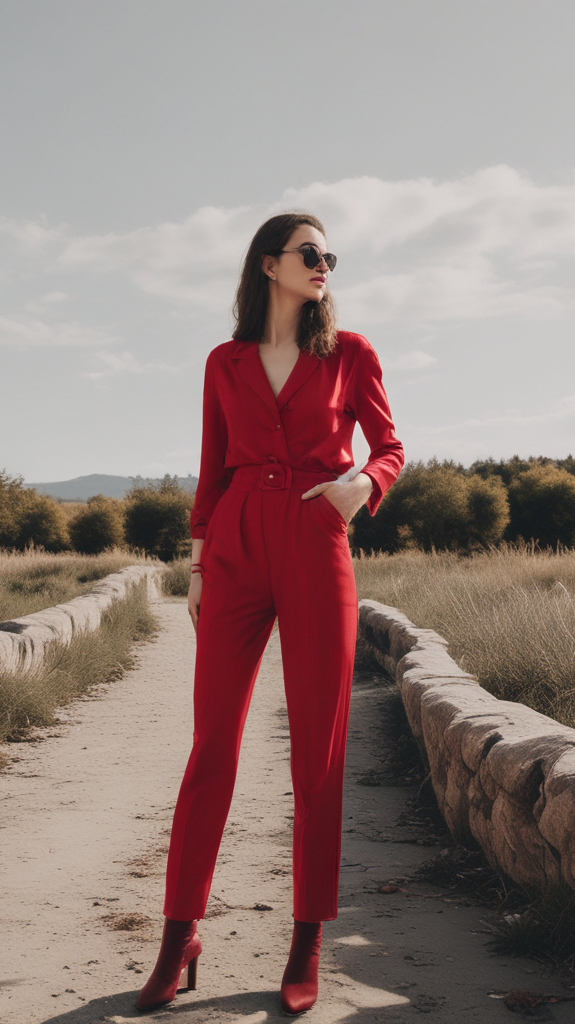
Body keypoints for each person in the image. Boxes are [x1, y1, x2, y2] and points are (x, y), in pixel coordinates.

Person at [136, 212, 404, 1015]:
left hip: (318, 537)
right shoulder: (224, 362)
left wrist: (364, 486)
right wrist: (196, 565)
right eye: (310, 254)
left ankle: (306, 937)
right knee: (211, 743)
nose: (324, 266)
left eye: (331, 256)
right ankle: (179, 933)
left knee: (316, 751)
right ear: (267, 265)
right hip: (235, 543)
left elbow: (391, 445)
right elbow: (213, 464)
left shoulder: (351, 353)